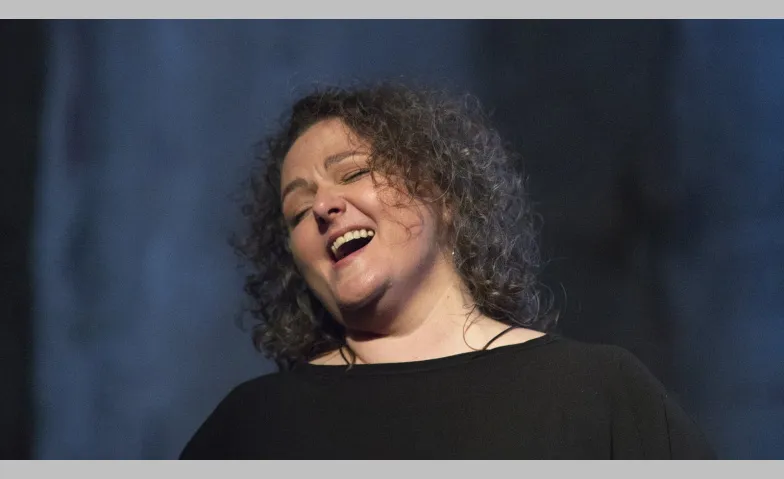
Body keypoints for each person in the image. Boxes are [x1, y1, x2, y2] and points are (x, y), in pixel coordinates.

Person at [179, 83, 715, 459]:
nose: (322, 207)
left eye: (354, 173)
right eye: (298, 211)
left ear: (444, 193)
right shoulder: (251, 428)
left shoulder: (599, 393)